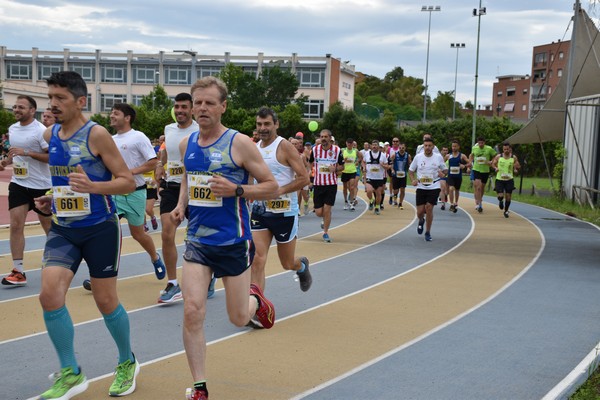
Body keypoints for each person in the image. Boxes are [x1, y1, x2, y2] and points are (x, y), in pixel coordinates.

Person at [170, 76, 278, 400]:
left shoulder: (239, 143)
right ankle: (200, 387)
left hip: (233, 242)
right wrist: (180, 205)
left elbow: (271, 185)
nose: (201, 108)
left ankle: (256, 300)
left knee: (237, 317)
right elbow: (189, 177)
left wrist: (238, 190)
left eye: (209, 103)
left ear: (223, 106)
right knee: (192, 310)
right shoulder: (185, 144)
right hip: (198, 243)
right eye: (197, 102)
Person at [34, 71, 139, 399]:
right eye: (50, 97)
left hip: (100, 229)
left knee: (105, 301)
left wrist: (94, 187)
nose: (53, 104)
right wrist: (54, 197)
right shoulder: (51, 134)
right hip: (64, 228)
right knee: (49, 295)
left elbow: (127, 181)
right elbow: (66, 178)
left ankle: (127, 362)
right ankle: (71, 372)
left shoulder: (96, 136)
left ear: (81, 101)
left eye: (61, 98)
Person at [250, 107, 312, 303]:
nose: (263, 128)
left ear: (276, 124)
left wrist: (280, 190)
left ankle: (301, 266)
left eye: (267, 124)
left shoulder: (284, 146)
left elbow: (304, 178)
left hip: (284, 213)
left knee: (287, 263)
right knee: (257, 258)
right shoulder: (253, 147)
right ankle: (257, 304)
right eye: (259, 124)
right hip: (260, 212)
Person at [109, 103, 166, 280]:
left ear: (127, 118)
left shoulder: (138, 137)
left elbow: (152, 161)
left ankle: (155, 258)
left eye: (116, 113)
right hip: (115, 193)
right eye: (111, 113)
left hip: (135, 192)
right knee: (108, 232)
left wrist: (130, 172)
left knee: (138, 234)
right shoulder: (109, 139)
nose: (111, 116)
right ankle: (105, 271)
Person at [0, 95, 52, 286]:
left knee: (49, 228)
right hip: (19, 183)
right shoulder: (13, 129)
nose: (16, 110)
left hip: (42, 186)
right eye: (14, 107)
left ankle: (58, 261)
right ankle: (18, 270)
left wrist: (27, 153)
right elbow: (14, 154)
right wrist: (6, 161)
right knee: (15, 225)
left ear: (32, 110)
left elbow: (51, 157)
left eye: (21, 107)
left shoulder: (41, 131)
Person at [157, 93, 203, 303]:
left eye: (184, 107)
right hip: (171, 187)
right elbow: (167, 152)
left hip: (195, 189)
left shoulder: (200, 129)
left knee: (199, 237)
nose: (179, 111)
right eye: (177, 107)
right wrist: (160, 164)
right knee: (167, 234)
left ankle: (207, 275)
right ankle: (173, 283)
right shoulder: (168, 129)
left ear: (192, 109)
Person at [408, 137, 448, 242]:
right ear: (423, 146)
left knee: (429, 207)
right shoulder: (418, 157)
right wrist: (413, 180)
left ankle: (428, 232)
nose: (427, 148)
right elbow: (411, 171)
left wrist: (443, 173)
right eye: (426, 146)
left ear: (433, 147)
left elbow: (445, 170)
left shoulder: (438, 157)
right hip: (421, 186)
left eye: (430, 146)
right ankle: (421, 220)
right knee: (420, 211)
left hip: (434, 186)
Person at [309, 129, 344, 243]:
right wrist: (311, 173)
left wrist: (336, 168)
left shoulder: (337, 150)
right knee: (319, 212)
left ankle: (325, 232)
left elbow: (342, 166)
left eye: (325, 136)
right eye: (321, 136)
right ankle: (325, 218)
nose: (323, 138)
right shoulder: (315, 150)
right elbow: (310, 163)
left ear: (330, 138)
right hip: (318, 184)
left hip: (331, 184)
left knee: (327, 209)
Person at [491, 142, 521, 218]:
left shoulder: (513, 157)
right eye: (504, 149)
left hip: (509, 179)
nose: (506, 151)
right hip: (500, 179)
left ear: (510, 149)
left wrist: (516, 169)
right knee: (500, 196)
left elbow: (518, 166)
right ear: (503, 149)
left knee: (508, 197)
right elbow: (493, 164)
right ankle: (501, 201)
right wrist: (495, 168)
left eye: (507, 149)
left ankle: (506, 210)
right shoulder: (499, 156)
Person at [469, 136, 497, 213]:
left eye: (482, 143)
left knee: (482, 187)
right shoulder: (474, 148)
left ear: (484, 143)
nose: (480, 144)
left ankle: (479, 199)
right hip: (476, 169)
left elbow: (496, 156)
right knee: (478, 187)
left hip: (485, 170)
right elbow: (471, 155)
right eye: (479, 143)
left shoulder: (489, 149)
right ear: (477, 143)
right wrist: (470, 162)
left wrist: (491, 162)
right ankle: (479, 203)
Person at [362, 140, 390, 215]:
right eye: (373, 145)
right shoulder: (367, 154)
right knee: (369, 191)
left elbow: (387, 166)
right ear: (371, 146)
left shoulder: (383, 155)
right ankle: (371, 200)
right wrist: (364, 167)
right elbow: (363, 161)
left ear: (378, 146)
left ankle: (377, 207)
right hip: (369, 177)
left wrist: (383, 165)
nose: (374, 146)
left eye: (376, 145)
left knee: (378, 193)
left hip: (379, 178)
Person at [445, 140, 471, 213]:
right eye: (453, 146)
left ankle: (456, 202)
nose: (453, 148)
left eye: (455, 146)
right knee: (451, 188)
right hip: (450, 176)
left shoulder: (462, 156)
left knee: (457, 190)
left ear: (458, 147)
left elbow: (470, 163)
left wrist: (465, 166)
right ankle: (452, 203)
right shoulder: (448, 156)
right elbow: (442, 163)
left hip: (458, 177)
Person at [389, 141, 412, 210]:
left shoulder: (408, 155)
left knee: (402, 190)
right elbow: (391, 163)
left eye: (403, 148)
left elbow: (410, 164)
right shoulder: (394, 154)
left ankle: (400, 203)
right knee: (396, 190)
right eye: (400, 148)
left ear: (405, 148)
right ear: (398, 148)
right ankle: (395, 196)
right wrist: (392, 170)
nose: (401, 149)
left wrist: (410, 170)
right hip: (396, 175)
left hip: (403, 175)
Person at [341, 137, 361, 211]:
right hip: (344, 171)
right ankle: (346, 202)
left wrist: (357, 161)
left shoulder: (355, 151)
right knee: (345, 187)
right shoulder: (343, 150)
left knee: (352, 187)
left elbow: (360, 157)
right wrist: (343, 160)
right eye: (348, 143)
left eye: (351, 143)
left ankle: (352, 202)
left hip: (353, 171)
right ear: (346, 143)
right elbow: (338, 159)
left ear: (352, 144)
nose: (349, 144)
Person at [439, 146, 449, 210]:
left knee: (447, 190)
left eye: (446, 150)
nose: (445, 151)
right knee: (442, 188)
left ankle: (445, 195)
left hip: (449, 175)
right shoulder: (438, 158)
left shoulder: (450, 157)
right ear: (441, 151)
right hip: (442, 175)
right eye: (444, 150)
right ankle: (443, 204)